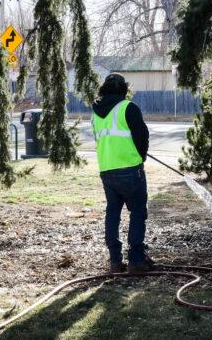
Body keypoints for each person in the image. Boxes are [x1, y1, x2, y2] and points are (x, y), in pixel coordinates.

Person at [92, 73, 152, 273]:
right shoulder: (129, 108)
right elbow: (142, 137)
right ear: (124, 89)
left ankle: (115, 261)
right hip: (130, 170)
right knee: (137, 213)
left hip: (107, 171)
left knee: (113, 214)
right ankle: (136, 260)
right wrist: (140, 157)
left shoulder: (96, 112)